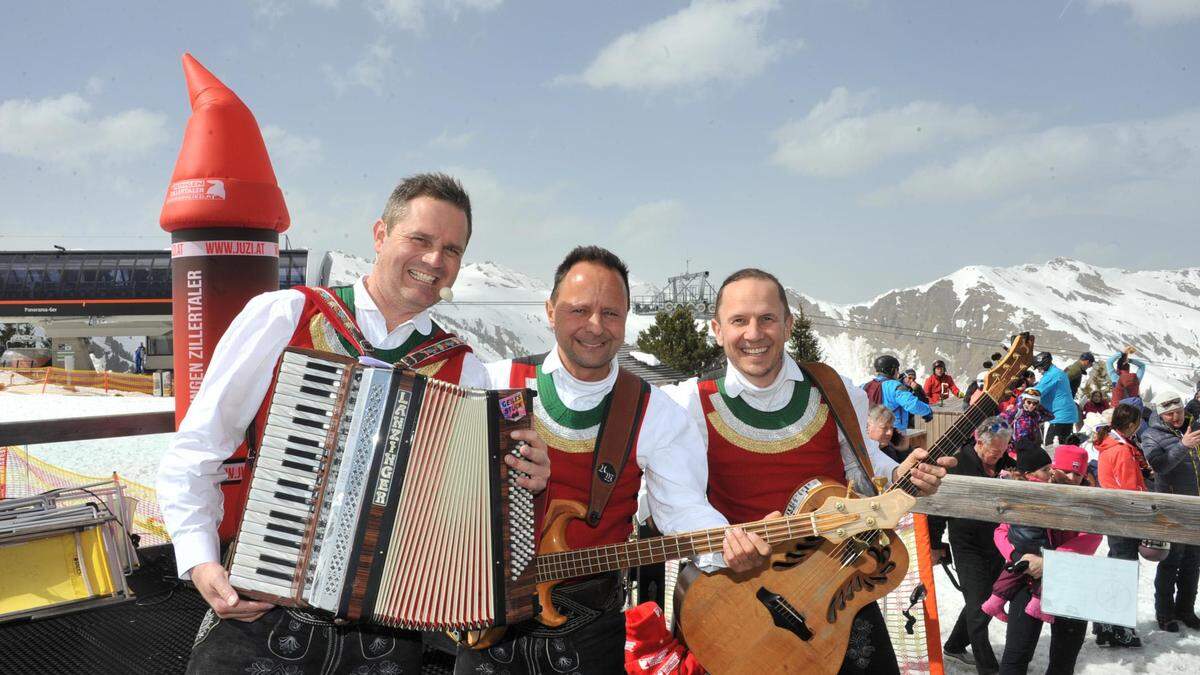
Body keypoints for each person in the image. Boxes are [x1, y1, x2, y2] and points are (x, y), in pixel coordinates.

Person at [157, 174, 553, 674]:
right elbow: (198, 448)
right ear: (380, 235)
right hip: (264, 618)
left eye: (451, 249)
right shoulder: (286, 315)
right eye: (421, 239)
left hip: (390, 641)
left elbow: (470, 518)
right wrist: (200, 561)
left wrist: (521, 485)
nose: (435, 261)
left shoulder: (466, 368)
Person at [457, 247, 765, 675]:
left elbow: (683, 511)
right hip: (486, 622)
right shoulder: (490, 381)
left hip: (590, 631)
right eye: (579, 310)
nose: (595, 327)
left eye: (611, 313)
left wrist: (727, 547)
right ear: (550, 311)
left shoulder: (655, 410)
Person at [664, 268, 954, 675]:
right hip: (742, 611)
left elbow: (865, 466)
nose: (754, 333)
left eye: (767, 318)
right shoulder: (690, 404)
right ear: (716, 329)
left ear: (788, 325)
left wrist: (902, 472)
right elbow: (678, 503)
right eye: (739, 320)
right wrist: (724, 543)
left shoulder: (833, 391)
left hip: (836, 591)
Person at [996, 445, 1102, 674]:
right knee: (1016, 652)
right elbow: (1003, 531)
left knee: (1064, 659)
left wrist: (1050, 562)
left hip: (1072, 580)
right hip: (1027, 577)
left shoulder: (1091, 499)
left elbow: (1091, 537)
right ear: (1055, 469)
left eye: (1078, 474)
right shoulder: (1034, 494)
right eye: (1067, 471)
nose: (1072, 478)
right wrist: (1018, 556)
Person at [928, 418, 1015, 674]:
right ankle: (988, 668)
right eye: (994, 451)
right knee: (980, 606)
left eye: (1003, 451)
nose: (998, 456)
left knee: (986, 598)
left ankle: (955, 645)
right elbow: (937, 510)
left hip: (997, 543)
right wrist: (934, 544)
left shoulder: (1006, 464)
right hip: (966, 545)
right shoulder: (957, 464)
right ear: (979, 442)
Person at [1093, 402, 1150, 647]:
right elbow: (1129, 490)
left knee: (1114, 568)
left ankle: (1105, 624)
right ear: (1131, 425)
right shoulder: (1122, 450)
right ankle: (1119, 628)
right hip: (1125, 516)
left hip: (1112, 514)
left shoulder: (1109, 445)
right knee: (1124, 570)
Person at [1142, 395, 1200, 631]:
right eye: (1170, 414)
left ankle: (1185, 609)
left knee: (1193, 562)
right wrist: (1183, 446)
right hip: (1172, 507)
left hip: (1195, 506)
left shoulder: (1193, 426)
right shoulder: (1151, 435)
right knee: (1170, 561)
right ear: (1161, 414)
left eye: (1178, 411)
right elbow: (1160, 466)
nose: (1176, 417)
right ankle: (1165, 613)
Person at [981, 445, 1056, 625]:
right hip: (1036, 543)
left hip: (1017, 543)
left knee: (1011, 575)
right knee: (1048, 577)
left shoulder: (1017, 489)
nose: (1051, 473)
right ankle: (1038, 606)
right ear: (1030, 475)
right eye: (1046, 470)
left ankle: (994, 602)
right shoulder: (1042, 492)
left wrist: (1014, 555)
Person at [866, 354, 933, 430]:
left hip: (870, 430)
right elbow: (912, 404)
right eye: (897, 369)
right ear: (892, 370)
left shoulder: (865, 386)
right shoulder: (895, 386)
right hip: (892, 432)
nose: (898, 372)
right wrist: (927, 411)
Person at [1032, 352, 1077, 446]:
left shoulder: (1052, 375)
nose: (1039, 371)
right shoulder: (1058, 372)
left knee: (1051, 448)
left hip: (1059, 416)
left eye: (1039, 368)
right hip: (1066, 415)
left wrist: (1021, 398)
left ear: (1045, 364)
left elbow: (1036, 393)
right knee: (1062, 449)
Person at [1000, 388, 1052, 454]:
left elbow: (1050, 416)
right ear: (1024, 400)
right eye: (1029, 402)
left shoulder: (1036, 414)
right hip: (1017, 449)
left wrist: (1039, 407)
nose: (1031, 405)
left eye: (1034, 403)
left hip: (1032, 448)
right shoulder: (1016, 411)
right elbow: (1000, 422)